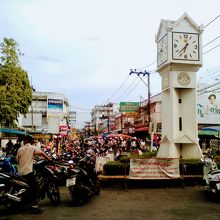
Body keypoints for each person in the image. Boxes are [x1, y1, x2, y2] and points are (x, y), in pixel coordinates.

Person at [17, 135, 52, 214]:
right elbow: (42, 153)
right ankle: (34, 207)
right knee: (35, 187)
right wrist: (50, 160)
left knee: (28, 187)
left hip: (20, 172)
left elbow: (18, 160)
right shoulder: (32, 148)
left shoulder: (20, 149)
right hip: (28, 172)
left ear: (25, 141)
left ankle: (27, 202)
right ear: (31, 141)